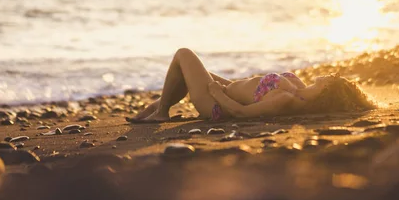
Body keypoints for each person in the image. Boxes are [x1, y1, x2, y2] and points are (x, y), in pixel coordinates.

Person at [129, 48, 376, 123]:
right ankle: (158, 108)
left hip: (218, 106)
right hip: (225, 91)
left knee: (184, 55)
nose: (328, 75)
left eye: (331, 79)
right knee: (186, 72)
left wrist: (215, 92)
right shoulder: (299, 89)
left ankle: (161, 112)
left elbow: (241, 112)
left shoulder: (287, 100)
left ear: (326, 91)